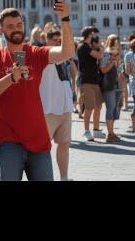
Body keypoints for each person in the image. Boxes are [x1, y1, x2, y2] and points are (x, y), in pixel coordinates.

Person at [0, 2, 74, 181]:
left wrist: (65, 19)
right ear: (1, 29)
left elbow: (66, 53)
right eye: (10, 26)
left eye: (19, 25)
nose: (16, 29)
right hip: (7, 137)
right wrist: (10, 78)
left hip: (38, 137)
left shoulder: (36, 53)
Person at [40, 29, 76, 180]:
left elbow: (70, 76)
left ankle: (64, 177)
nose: (57, 43)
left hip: (65, 107)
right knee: (42, 149)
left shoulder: (64, 56)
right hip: (48, 109)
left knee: (64, 144)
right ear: (47, 40)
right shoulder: (44, 54)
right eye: (54, 40)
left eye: (59, 40)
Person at [78, 26, 105, 141]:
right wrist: (101, 47)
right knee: (89, 107)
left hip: (95, 80)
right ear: (90, 35)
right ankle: (86, 131)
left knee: (98, 106)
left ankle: (96, 130)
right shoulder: (83, 47)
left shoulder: (89, 46)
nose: (96, 37)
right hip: (87, 81)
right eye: (94, 35)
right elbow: (99, 56)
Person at [99, 35, 122, 143]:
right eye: (115, 43)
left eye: (118, 44)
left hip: (118, 84)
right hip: (109, 85)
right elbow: (103, 70)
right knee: (110, 108)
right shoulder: (106, 55)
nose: (117, 45)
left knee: (116, 108)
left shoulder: (118, 55)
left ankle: (112, 132)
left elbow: (119, 70)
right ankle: (110, 134)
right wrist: (112, 61)